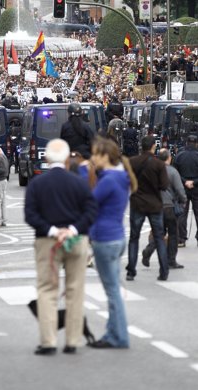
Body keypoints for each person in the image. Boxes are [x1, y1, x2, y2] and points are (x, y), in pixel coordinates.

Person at [25, 139, 97, 355]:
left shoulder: (37, 184)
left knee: (47, 290)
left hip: (48, 242)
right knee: (75, 290)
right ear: (67, 159)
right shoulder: (79, 183)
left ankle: (48, 341)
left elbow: (30, 215)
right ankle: (73, 341)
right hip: (76, 241)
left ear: (46, 159)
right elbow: (91, 211)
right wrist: (73, 230)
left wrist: (53, 231)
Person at [88, 137, 137, 349]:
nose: (92, 158)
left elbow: (88, 204)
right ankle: (112, 333)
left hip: (105, 238)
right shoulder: (121, 177)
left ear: (105, 156)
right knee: (114, 289)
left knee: (112, 292)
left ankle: (118, 336)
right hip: (117, 236)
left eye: (95, 154)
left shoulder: (108, 180)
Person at [125, 135, 169, 281]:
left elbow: (127, 181)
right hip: (155, 204)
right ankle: (164, 271)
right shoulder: (159, 165)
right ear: (153, 147)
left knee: (134, 237)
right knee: (159, 237)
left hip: (137, 203)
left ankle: (131, 270)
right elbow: (164, 185)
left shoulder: (132, 162)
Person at [142, 148, 187, 269]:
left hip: (155, 206)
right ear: (169, 158)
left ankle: (148, 251)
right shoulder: (173, 172)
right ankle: (171, 260)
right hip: (169, 207)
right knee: (173, 233)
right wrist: (183, 200)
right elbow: (179, 189)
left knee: (158, 232)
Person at [174, 135, 198, 247]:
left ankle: (181, 238)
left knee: (182, 214)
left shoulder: (179, 156)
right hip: (196, 188)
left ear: (187, 143)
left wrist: (185, 181)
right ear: (196, 144)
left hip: (182, 188)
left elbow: (175, 173)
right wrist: (193, 182)